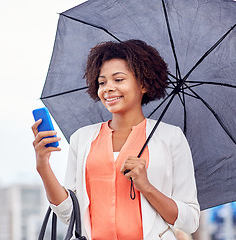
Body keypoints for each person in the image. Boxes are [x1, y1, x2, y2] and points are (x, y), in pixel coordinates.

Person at [32, 39, 200, 240]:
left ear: (143, 84)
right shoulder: (82, 138)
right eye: (102, 82)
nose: (108, 88)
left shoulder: (170, 137)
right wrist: (43, 166)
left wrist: (146, 186)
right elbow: (68, 215)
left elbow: (190, 221)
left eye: (118, 80)